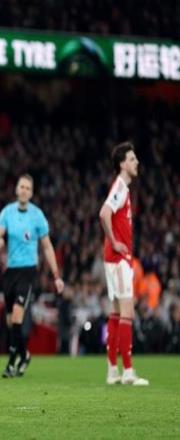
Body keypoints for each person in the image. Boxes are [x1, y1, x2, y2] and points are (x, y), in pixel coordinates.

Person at [0, 174, 64, 378]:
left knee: (17, 316)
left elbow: (47, 247)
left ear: (31, 193)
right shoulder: (7, 212)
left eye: (27, 188)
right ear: (16, 189)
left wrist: (56, 275)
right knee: (10, 323)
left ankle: (11, 363)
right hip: (10, 272)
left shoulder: (37, 216)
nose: (24, 191)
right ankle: (24, 354)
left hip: (28, 271)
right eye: (21, 187)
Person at [99, 142, 148, 386]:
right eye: (132, 159)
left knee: (117, 312)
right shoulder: (120, 186)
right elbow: (104, 213)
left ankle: (112, 370)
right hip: (119, 259)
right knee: (127, 312)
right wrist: (115, 241)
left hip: (114, 259)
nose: (136, 162)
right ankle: (127, 371)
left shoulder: (122, 188)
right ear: (122, 164)